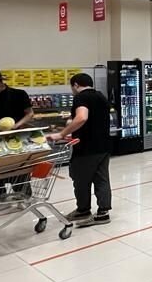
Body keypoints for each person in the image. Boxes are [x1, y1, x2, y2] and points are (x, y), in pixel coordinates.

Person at [48, 73, 112, 226]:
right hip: (104, 146)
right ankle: (103, 213)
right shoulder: (101, 96)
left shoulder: (81, 97)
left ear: (76, 85)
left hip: (86, 147)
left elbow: (82, 117)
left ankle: (83, 210)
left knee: (81, 180)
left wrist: (61, 134)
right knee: (102, 179)